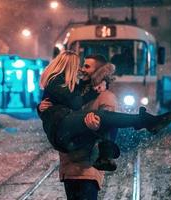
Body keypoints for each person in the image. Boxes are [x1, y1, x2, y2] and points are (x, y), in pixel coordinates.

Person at [38, 50, 171, 156]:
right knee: (102, 116)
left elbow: (66, 100)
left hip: (61, 126)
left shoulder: (61, 82)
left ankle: (144, 122)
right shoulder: (57, 81)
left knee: (103, 117)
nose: (79, 70)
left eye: (84, 66)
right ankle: (145, 121)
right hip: (59, 127)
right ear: (69, 65)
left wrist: (97, 86)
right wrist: (93, 91)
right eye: (77, 66)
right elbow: (75, 102)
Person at [39, 54, 120, 200]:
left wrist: (96, 127)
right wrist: (41, 108)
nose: (81, 69)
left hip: (87, 167)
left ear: (98, 72)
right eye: (82, 65)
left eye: (87, 66)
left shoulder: (105, 97)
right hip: (69, 163)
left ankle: (144, 120)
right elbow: (58, 115)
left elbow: (110, 128)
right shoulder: (75, 91)